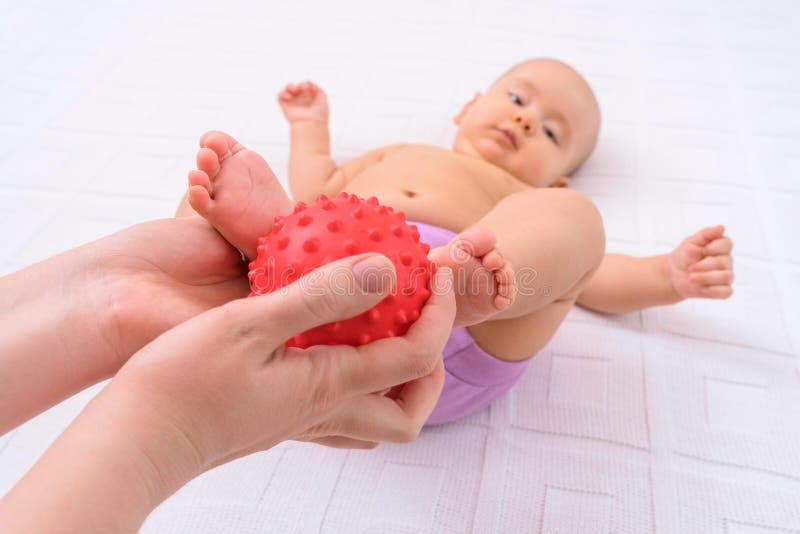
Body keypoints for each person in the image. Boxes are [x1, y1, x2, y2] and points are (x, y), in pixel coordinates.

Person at [175, 58, 734, 425]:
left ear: (557, 173)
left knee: (577, 225)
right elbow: (317, 183)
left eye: (550, 132)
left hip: (461, 330)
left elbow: (591, 275)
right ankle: (233, 260)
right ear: (468, 108)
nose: (524, 120)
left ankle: (459, 286)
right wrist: (309, 126)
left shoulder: (526, 196)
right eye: (518, 98)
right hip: (319, 286)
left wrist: (665, 276)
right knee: (259, 207)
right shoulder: (396, 152)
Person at [0, 214, 457, 532]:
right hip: (339, 304)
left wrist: (106, 302)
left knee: (530, 221)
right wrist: (173, 428)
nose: (522, 121)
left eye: (536, 127)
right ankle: (456, 286)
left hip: (358, 306)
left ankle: (463, 288)